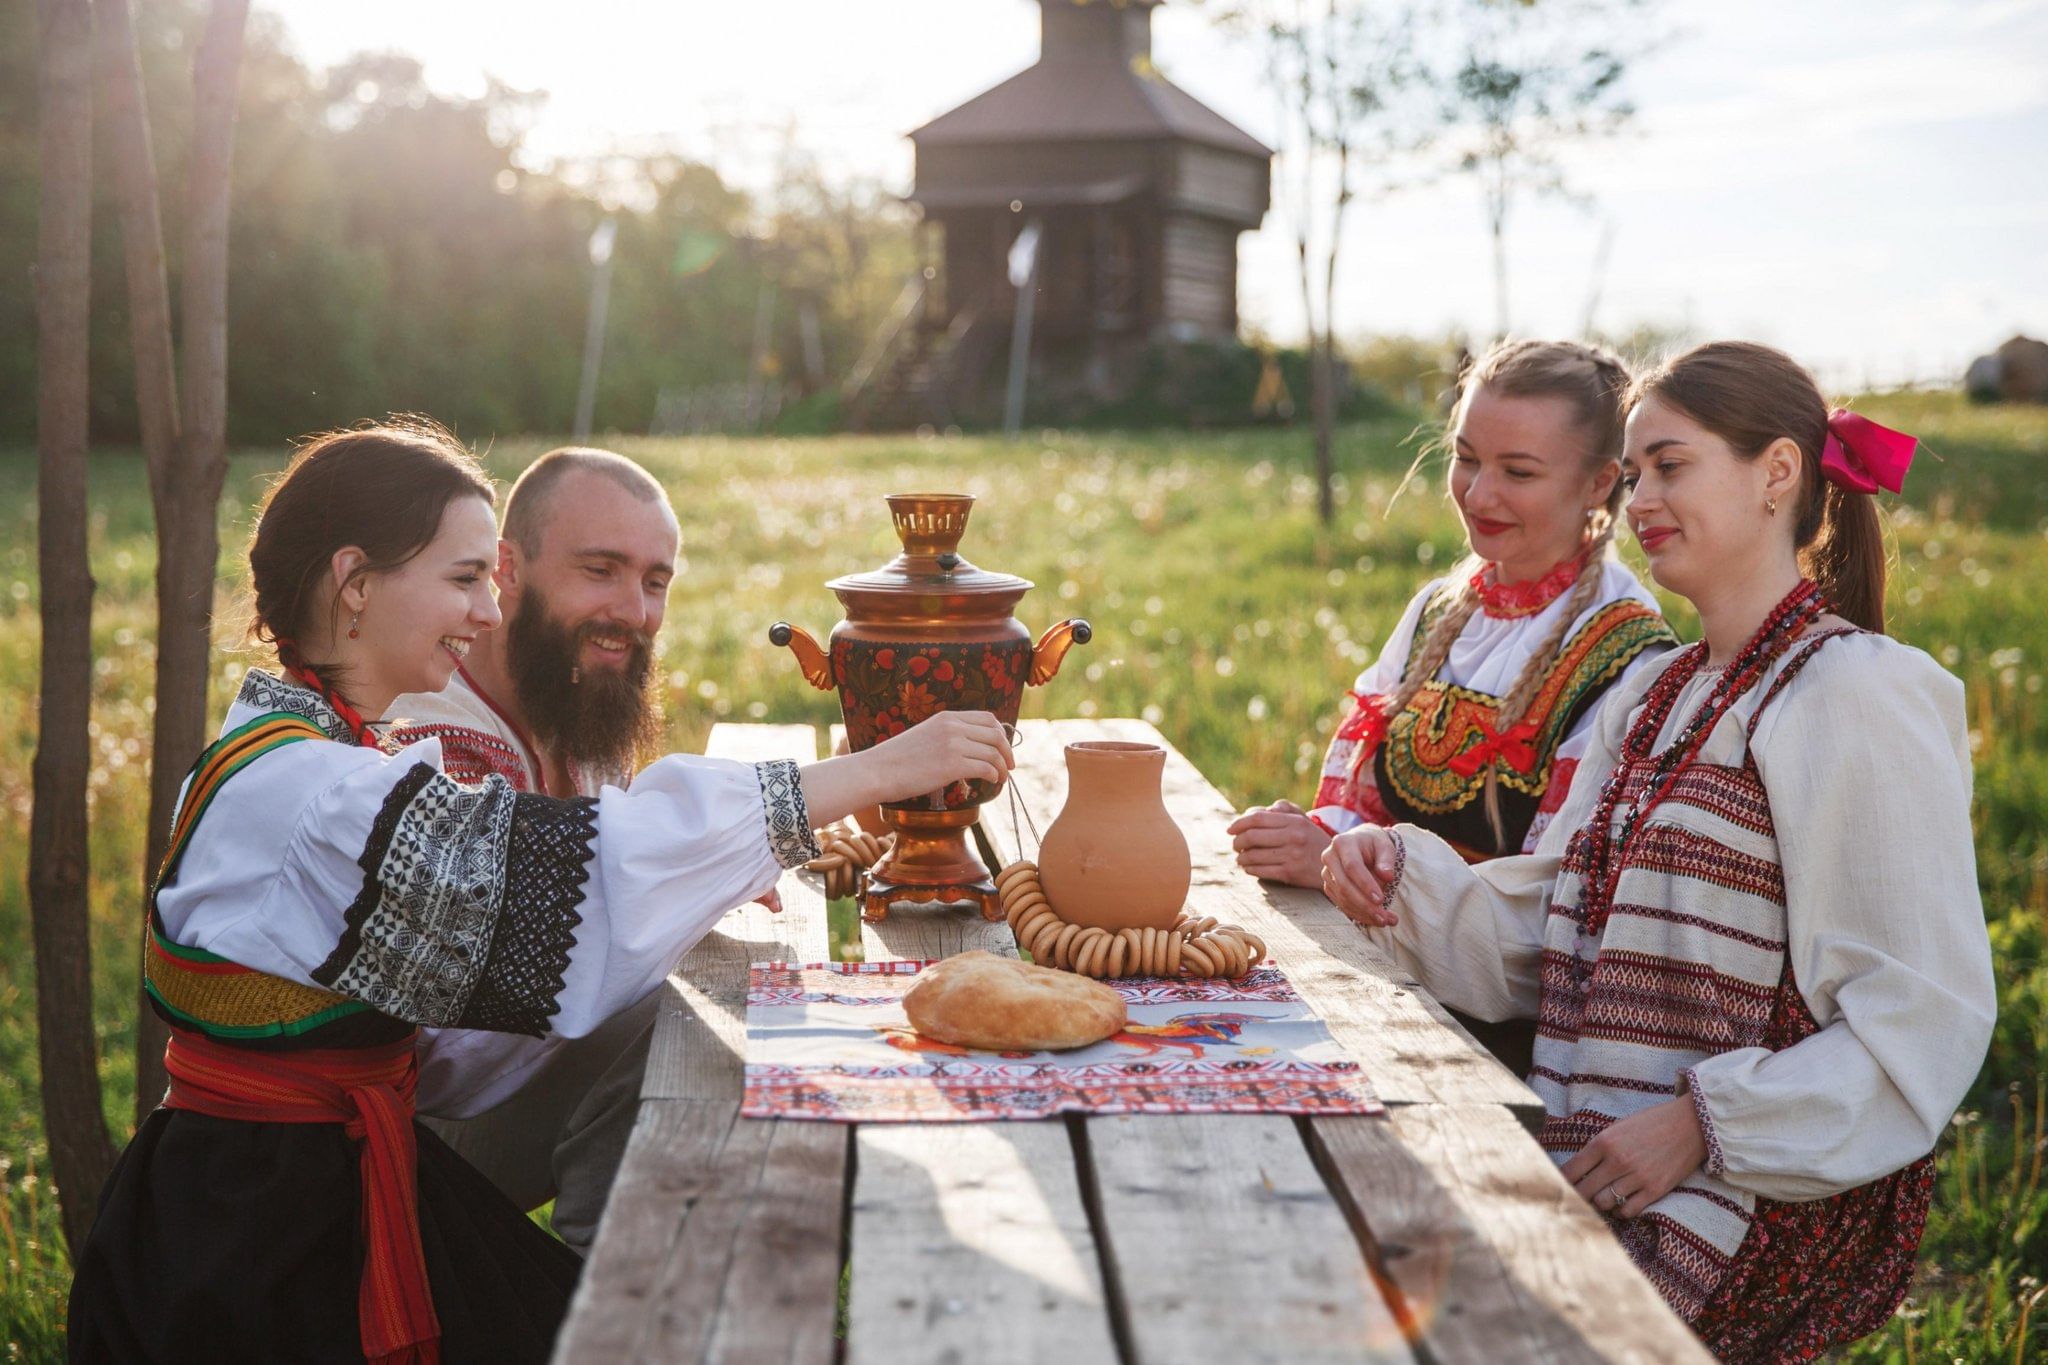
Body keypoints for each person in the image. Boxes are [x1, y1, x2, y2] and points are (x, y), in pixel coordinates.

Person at [67, 419, 1013, 1363]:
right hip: (266, 1243)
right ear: (356, 583)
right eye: (463, 578)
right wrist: (869, 772)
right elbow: (567, 878)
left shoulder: (294, 753)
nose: (487, 612)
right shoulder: (317, 798)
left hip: (289, 1181)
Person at [1319, 342, 1996, 1362]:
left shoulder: (1851, 693)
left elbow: (1921, 1018)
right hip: (1596, 1155)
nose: (1639, 501)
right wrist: (1397, 872)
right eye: (1633, 474)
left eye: (1669, 467)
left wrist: (1698, 1125)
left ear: (1776, 474)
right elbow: (1548, 931)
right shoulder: (1655, 692)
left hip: (1748, 1196)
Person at [1229, 339, 1677, 1074]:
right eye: (1466, 458)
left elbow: (1547, 931)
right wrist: (1310, 840)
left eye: (1518, 471)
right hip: (1375, 988)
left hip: (1492, 1046)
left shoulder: (1627, 658)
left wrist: (1341, 871)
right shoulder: (1441, 610)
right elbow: (1353, 804)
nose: (1477, 493)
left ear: (1600, 482)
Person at [378, 446, 726, 1250]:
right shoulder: (431, 732)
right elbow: (493, 1000)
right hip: (396, 1131)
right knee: (667, 1037)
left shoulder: (573, 694)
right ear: (507, 566)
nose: (633, 611)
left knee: (715, 1016)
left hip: (493, 1080)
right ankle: (591, 1305)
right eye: (600, 569)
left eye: (654, 581)